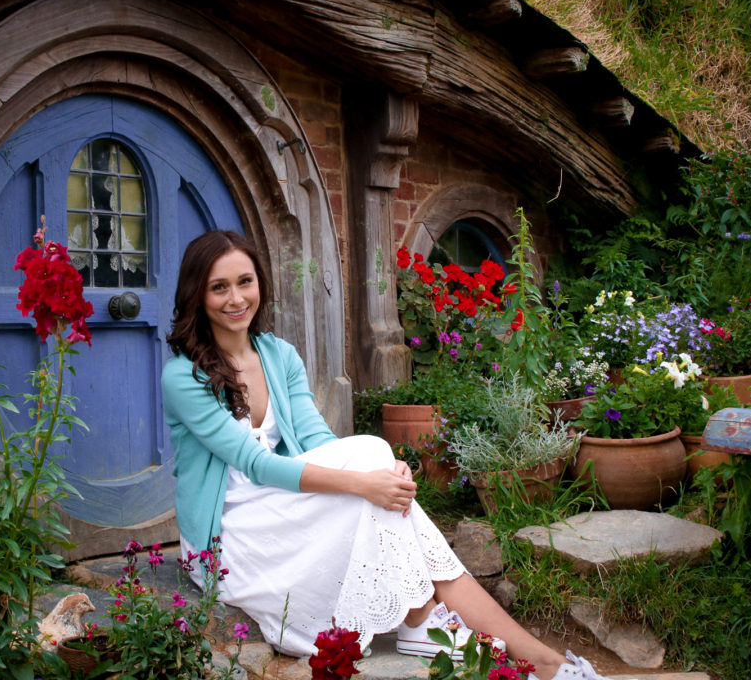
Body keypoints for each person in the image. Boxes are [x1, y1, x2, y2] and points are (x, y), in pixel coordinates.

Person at [161, 230, 615, 680]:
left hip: (283, 504)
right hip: (234, 527)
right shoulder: (183, 377)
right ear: (197, 295)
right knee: (374, 466)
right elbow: (257, 465)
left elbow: (321, 441)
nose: (236, 298)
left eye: (245, 281)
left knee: (378, 465)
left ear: (261, 283)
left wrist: (382, 473)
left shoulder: (278, 355)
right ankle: (498, 647)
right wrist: (364, 481)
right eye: (219, 287)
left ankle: (482, 639)